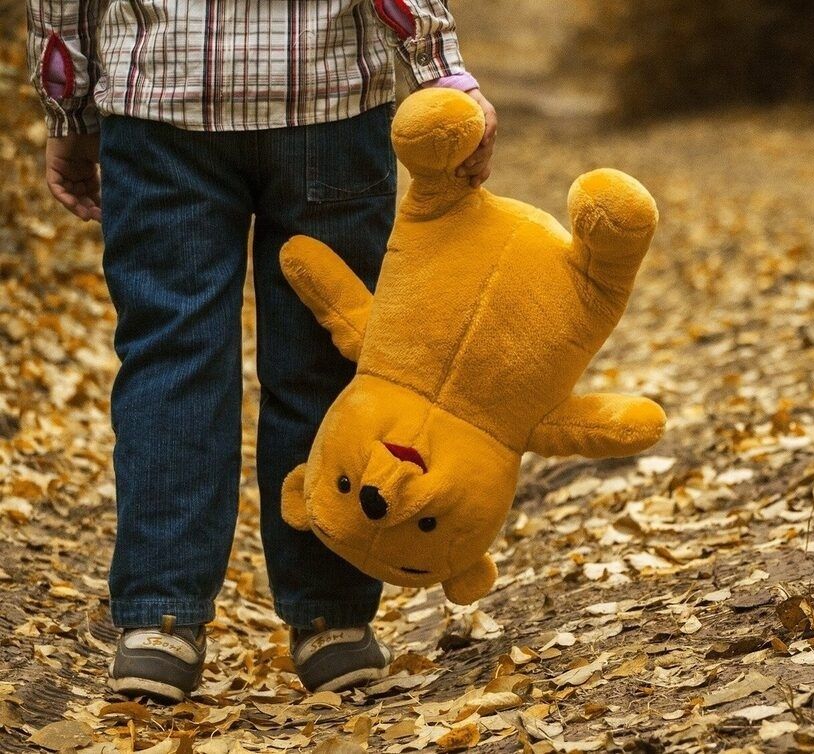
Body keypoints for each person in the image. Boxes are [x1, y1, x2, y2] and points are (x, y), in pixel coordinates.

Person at [26, 0, 497, 702]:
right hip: (326, 94)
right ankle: (331, 623)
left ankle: (160, 625)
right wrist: (442, 72)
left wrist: (67, 109)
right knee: (327, 355)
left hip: (160, 98)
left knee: (170, 356)